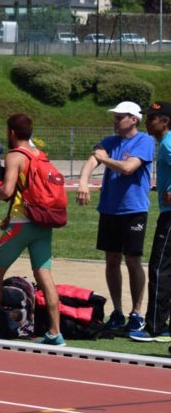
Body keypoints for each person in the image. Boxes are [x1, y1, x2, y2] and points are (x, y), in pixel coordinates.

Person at [0, 113, 66, 346]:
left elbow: (7, 190)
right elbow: (26, 190)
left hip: (22, 224)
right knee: (45, 276)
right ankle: (55, 332)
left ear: (11, 132)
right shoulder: (39, 155)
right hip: (43, 223)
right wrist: (7, 215)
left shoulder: (15, 155)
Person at [76, 101, 154, 334]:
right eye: (115, 117)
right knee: (111, 260)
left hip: (133, 210)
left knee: (133, 261)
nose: (115, 121)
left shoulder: (145, 141)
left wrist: (104, 159)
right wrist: (83, 182)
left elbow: (129, 168)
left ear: (134, 119)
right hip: (109, 209)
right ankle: (118, 311)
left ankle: (137, 313)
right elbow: (92, 161)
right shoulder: (109, 141)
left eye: (120, 117)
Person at [132, 102, 171, 342]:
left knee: (160, 267)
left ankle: (155, 326)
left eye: (152, 118)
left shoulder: (167, 144)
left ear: (165, 121)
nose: (147, 121)